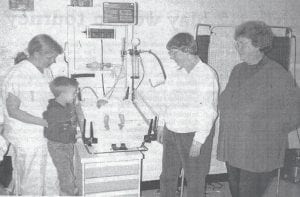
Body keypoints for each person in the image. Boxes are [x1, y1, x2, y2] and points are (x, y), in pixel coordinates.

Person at [217, 21, 300, 197]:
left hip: (258, 152)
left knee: (249, 193)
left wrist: (267, 130)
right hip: (233, 147)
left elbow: (294, 113)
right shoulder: (237, 70)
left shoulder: (277, 75)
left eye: (243, 44)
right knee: (236, 191)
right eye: (237, 43)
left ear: (258, 45)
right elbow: (225, 101)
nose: (238, 48)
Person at [157, 32, 219, 197]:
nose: (171, 57)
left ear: (187, 50)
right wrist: (162, 125)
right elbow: (166, 100)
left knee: (195, 179)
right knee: (168, 176)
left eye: (174, 52)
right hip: (172, 131)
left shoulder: (206, 74)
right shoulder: (175, 73)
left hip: (193, 134)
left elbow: (209, 110)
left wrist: (198, 141)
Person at [1, 34, 63, 195]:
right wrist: (45, 122)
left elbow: (48, 97)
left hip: (45, 135)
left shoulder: (45, 71)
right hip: (27, 137)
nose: (53, 61)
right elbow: (12, 111)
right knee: (31, 182)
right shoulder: (18, 74)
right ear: (36, 54)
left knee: (51, 178)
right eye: (50, 57)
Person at [43, 76, 84, 196]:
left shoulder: (65, 105)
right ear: (62, 95)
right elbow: (53, 132)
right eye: (73, 93)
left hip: (66, 144)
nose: (75, 95)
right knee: (66, 174)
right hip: (58, 146)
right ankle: (69, 193)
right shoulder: (55, 110)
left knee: (69, 170)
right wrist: (75, 135)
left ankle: (69, 191)